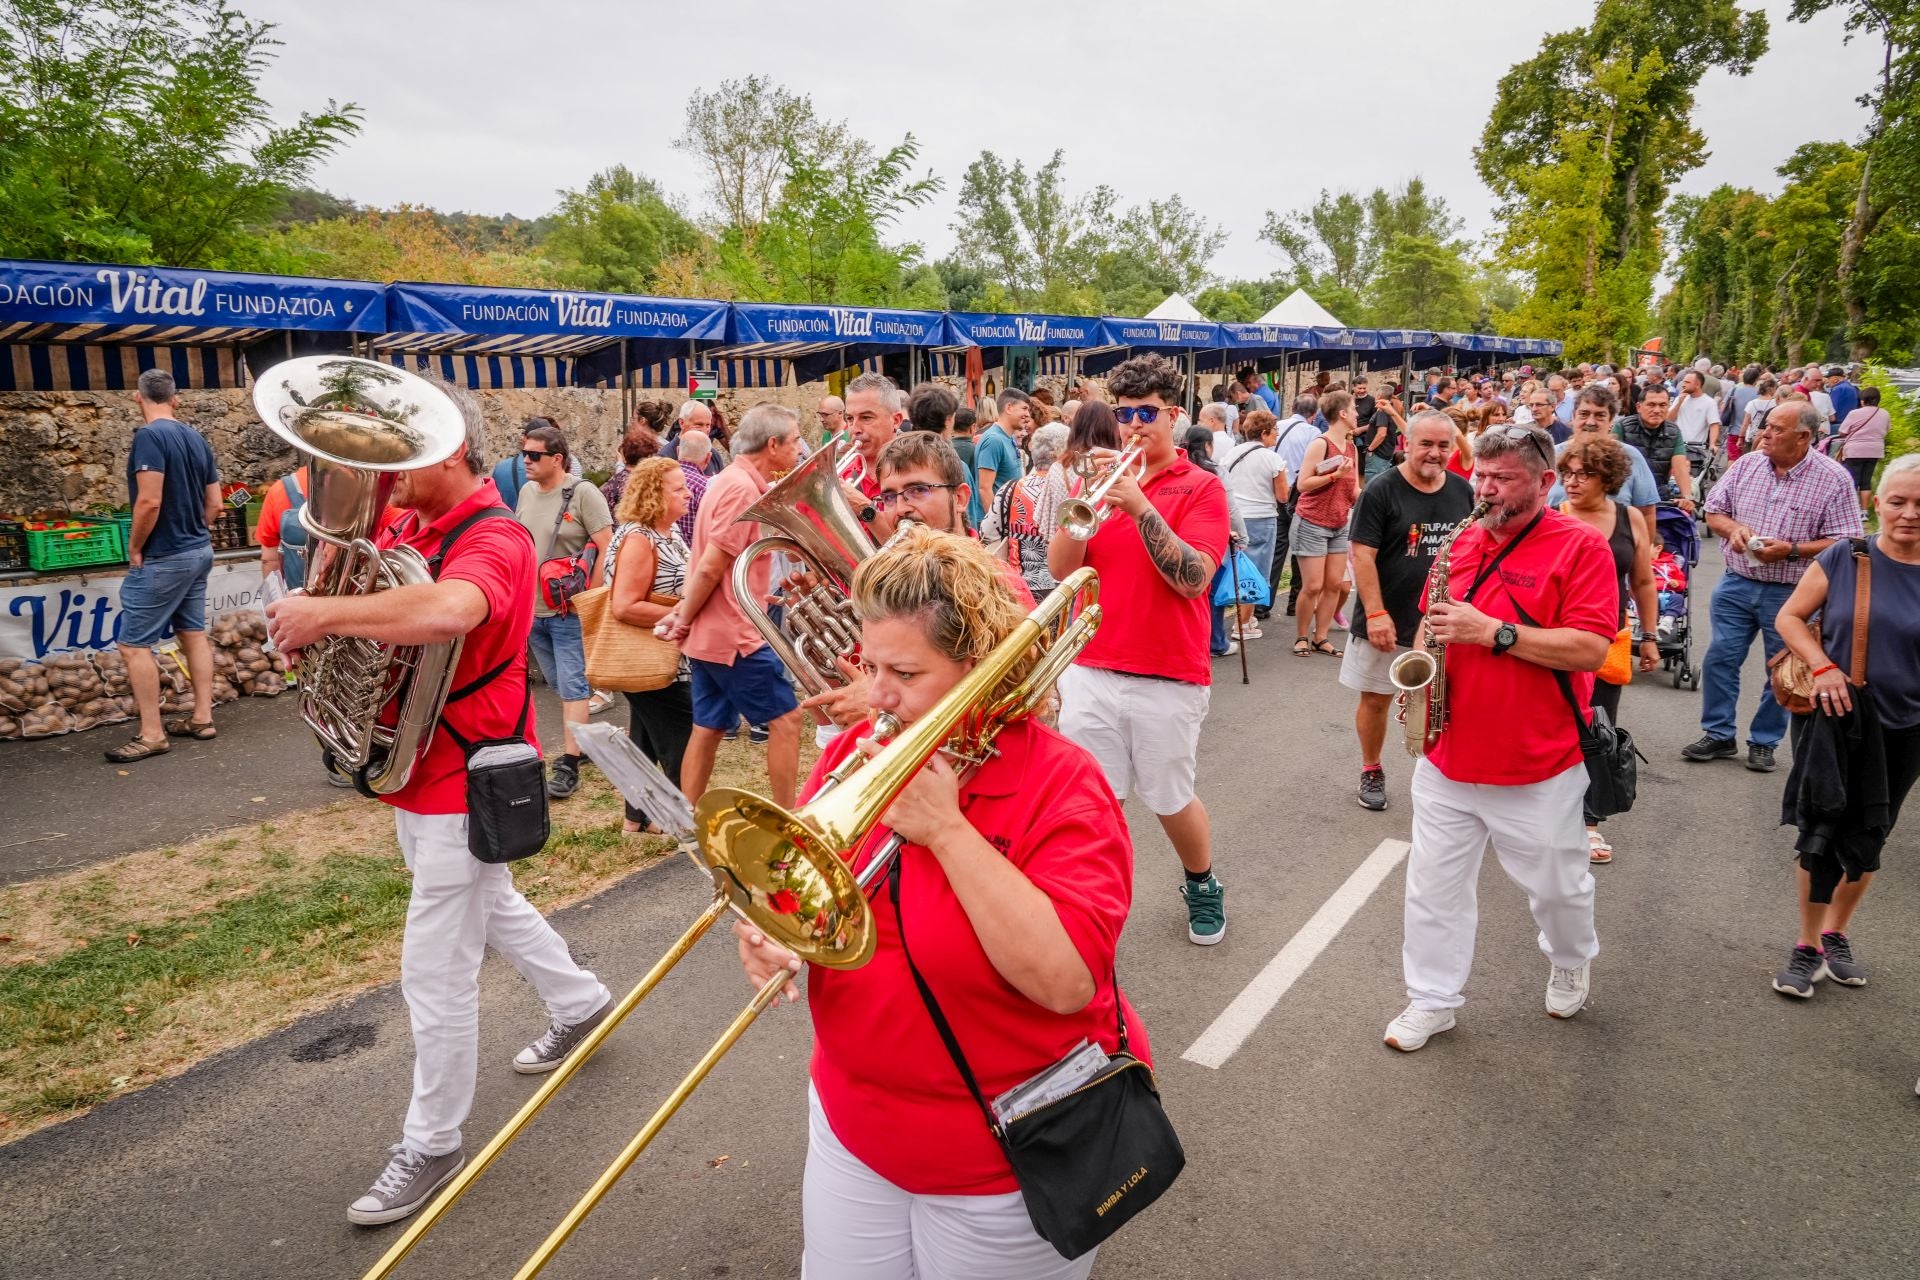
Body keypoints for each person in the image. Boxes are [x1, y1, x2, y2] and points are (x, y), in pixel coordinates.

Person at [733, 525, 1144, 1280]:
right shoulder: (855, 752)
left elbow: (1065, 983)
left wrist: (948, 831)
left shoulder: (1064, 784)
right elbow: (805, 892)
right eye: (870, 663)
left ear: (980, 669)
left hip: (1008, 1158)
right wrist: (777, 933)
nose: (875, 694)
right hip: (855, 1131)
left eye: (906, 673)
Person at [264, 381, 612, 1225]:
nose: (382, 479)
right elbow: (371, 591)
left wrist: (327, 614)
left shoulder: (493, 535)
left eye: (399, 462)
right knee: (491, 906)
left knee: (435, 968)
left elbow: (455, 607)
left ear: (449, 452)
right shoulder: (410, 524)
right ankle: (580, 1002)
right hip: (417, 769)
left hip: (466, 774)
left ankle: (432, 1143)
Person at [1382, 422, 1618, 1052]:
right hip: (1448, 754)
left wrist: (1494, 632)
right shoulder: (1459, 540)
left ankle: (1569, 956)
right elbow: (1432, 622)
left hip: (1537, 763)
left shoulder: (1581, 548)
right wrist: (1418, 674)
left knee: (1558, 889)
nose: (1483, 491)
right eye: (1480, 476)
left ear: (1545, 482)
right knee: (1432, 888)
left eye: (1502, 479)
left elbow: (1592, 648)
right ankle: (1431, 999)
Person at [1048, 353, 1231, 945]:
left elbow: (1193, 579)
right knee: (1093, 800)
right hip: (1091, 666)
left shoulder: (1202, 488)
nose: (1134, 425)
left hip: (1168, 671)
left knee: (1170, 796)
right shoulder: (1095, 486)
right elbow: (1060, 571)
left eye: (1146, 413)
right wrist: (1086, 509)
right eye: (1124, 413)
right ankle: (1089, 902)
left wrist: (1140, 504)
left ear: (1172, 416)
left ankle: (1201, 881)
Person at [1770, 456, 1920, 1001]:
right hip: (1833, 719)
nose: (1908, 514)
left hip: (1906, 727)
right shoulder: (1848, 556)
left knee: (1870, 834)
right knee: (1821, 832)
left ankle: (1837, 932)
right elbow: (1788, 618)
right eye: (1898, 500)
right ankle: (1807, 942)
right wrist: (1824, 665)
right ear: (1875, 502)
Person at [1684, 402, 1865, 771]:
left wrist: (1793, 550)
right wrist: (1734, 530)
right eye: (1766, 426)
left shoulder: (1834, 478)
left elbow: (1847, 540)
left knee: (1783, 669)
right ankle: (1718, 734)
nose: (1764, 433)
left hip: (1793, 594)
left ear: (1803, 437)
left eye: (1776, 429)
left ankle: (1764, 741)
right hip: (1736, 583)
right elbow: (1714, 511)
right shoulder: (1748, 465)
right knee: (1720, 657)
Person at [658, 404, 806, 808]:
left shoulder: (727, 478)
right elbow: (711, 565)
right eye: (794, 441)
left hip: (713, 633)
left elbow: (710, 562)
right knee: (788, 721)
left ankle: (686, 819)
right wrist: (682, 616)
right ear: (772, 445)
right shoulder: (741, 487)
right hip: (735, 635)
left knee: (707, 727)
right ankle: (788, 816)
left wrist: (686, 616)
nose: (798, 449)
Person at [1343, 410, 1474, 812]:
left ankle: (1449, 775)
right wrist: (1377, 613)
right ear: (1407, 445)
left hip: (1446, 621)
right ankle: (1371, 769)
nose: (1434, 453)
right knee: (1377, 699)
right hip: (1387, 616)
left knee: (1450, 702)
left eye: (1443, 445)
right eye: (1426, 444)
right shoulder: (1381, 491)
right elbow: (1362, 556)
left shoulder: (1463, 491)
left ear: (1453, 448)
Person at [104, 368, 223, 763]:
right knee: (193, 632)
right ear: (175, 399)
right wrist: (195, 532)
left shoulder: (149, 437)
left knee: (133, 645)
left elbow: (149, 501)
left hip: (165, 555)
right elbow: (216, 504)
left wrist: (135, 546)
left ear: (138, 398)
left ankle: (152, 734)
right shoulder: (196, 438)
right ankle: (202, 717)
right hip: (198, 549)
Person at [1554, 436, 1661, 862]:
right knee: (1554, 725)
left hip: (1609, 639)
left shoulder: (1629, 518)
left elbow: (1643, 581)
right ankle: (1540, 812)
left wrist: (1649, 637)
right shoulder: (1553, 515)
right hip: (1558, 639)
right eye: (1568, 472)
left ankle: (1589, 823)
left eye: (1585, 474)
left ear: (1609, 478)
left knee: (1597, 730)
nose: (1573, 481)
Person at [513, 423, 613, 798]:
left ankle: (569, 764)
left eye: (534, 455)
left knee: (572, 688)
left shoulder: (583, 493)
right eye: (524, 453)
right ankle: (587, 740)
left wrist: (592, 596)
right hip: (532, 609)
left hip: (567, 610)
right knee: (559, 684)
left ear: (557, 459)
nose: (526, 460)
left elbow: (607, 545)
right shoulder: (526, 491)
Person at [606, 456, 695, 835]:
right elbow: (624, 604)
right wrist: (686, 610)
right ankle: (674, 818)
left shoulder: (666, 534)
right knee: (684, 738)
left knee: (643, 738)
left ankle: (637, 818)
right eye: (678, 489)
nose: (689, 493)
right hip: (653, 656)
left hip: (657, 656)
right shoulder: (640, 538)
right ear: (656, 496)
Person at [1291, 389, 1361, 658]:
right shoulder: (1320, 444)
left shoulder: (1352, 448)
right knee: (1312, 585)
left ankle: (1321, 637)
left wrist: (1373, 503)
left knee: (1334, 584)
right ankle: (1301, 636)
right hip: (1312, 521)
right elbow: (1303, 484)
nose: (1357, 414)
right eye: (1353, 409)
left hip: (1340, 522)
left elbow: (1354, 490)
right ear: (1342, 414)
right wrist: (1334, 476)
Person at [1549, 385, 1659, 526]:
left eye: (1600, 415)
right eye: (1584, 414)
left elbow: (1647, 512)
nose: (1590, 422)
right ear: (1573, 416)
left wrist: (1646, 546)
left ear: (1611, 420)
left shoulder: (1629, 456)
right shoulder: (1551, 455)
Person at [1222, 409, 1288, 642]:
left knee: (1235, 568)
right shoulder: (1273, 459)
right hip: (1262, 518)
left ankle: (1236, 619)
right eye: (1275, 431)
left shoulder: (1231, 454)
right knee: (1255, 571)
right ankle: (1243, 625)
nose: (1277, 435)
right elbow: (1282, 496)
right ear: (1265, 432)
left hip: (1234, 517)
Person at [993, 422, 1071, 600]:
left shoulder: (1010, 488)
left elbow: (989, 532)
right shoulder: (1073, 489)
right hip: (1064, 587)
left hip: (1019, 588)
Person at [1264, 395, 1321, 620]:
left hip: (1276, 491)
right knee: (1299, 550)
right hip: (1298, 495)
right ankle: (1294, 603)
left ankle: (1264, 602)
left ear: (1293, 407)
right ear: (1314, 415)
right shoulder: (1312, 434)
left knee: (1277, 551)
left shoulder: (1277, 427)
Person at [1613, 381, 1693, 509]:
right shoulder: (1622, 427)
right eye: (1651, 405)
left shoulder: (1674, 432)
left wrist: (1687, 497)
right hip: (1627, 497)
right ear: (1639, 407)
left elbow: (1680, 467)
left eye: (1662, 405)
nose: (1657, 410)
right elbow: (1612, 464)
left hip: (1660, 497)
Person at [842, 372, 906, 502]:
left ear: (896, 420)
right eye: (849, 418)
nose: (854, 429)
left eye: (866, 418)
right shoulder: (842, 477)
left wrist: (865, 508)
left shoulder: (919, 471)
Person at [972, 389, 1028, 528]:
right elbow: (984, 488)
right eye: (1024, 408)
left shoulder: (1007, 438)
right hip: (997, 526)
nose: (1027, 415)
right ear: (1008, 408)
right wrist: (996, 526)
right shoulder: (994, 440)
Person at [1835, 385, 1891, 514]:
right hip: (1875, 450)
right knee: (1866, 481)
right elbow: (1886, 431)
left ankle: (1851, 510)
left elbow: (1842, 431)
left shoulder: (1854, 413)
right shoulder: (1884, 414)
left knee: (1852, 480)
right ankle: (1864, 511)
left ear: (1862, 400)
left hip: (1854, 451)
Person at [254, 463, 312, 587]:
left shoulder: (279, 489)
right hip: (352, 601)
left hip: (298, 598)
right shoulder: (358, 488)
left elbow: (269, 560)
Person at [1671, 370, 1719, 492]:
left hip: (1697, 449)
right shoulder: (1680, 399)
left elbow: (1714, 424)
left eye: (1687, 382)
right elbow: (1668, 419)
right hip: (1678, 446)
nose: (1683, 384)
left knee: (1694, 483)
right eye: (1683, 381)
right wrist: (1679, 402)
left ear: (1697, 385)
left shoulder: (1709, 402)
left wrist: (1713, 443)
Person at [669, 429, 712, 543]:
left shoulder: (662, 479)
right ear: (708, 457)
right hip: (692, 556)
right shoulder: (704, 487)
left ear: (678, 451)